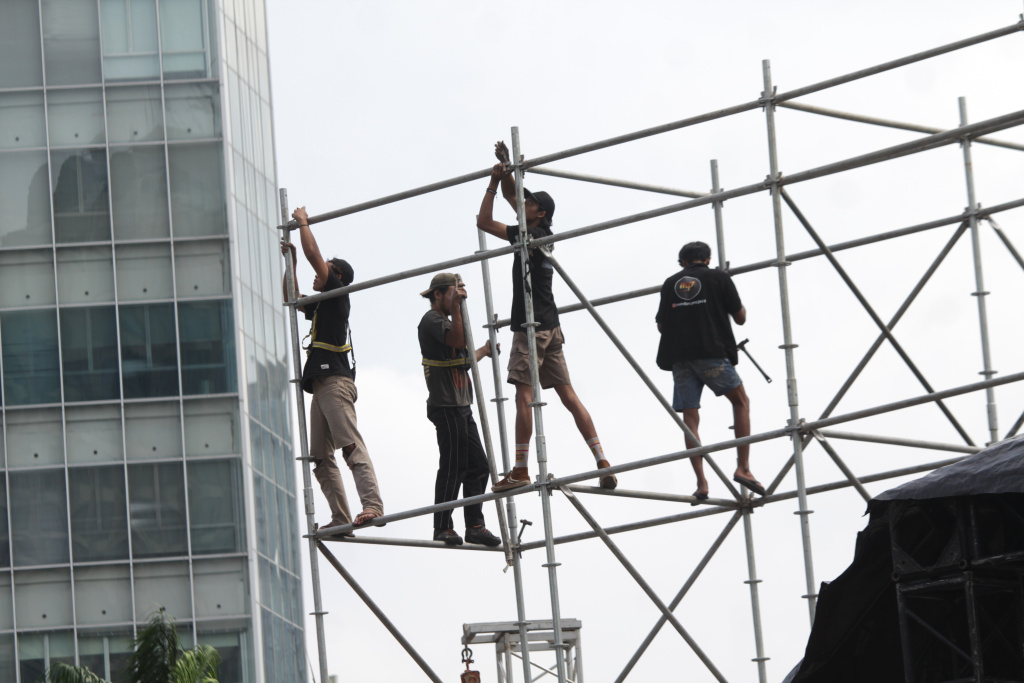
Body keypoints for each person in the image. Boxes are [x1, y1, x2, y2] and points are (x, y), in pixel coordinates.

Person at [475, 145, 617, 492]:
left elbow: (483, 222)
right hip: (551, 327)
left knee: (524, 394)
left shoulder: (528, 234)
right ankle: (602, 459)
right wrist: (506, 170)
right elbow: (514, 194)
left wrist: (492, 185)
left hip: (531, 326)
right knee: (568, 395)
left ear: (538, 213)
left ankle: (520, 469)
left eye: (529, 204)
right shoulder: (540, 231)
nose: (523, 204)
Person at [280, 206, 383, 533]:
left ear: (336, 274)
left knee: (349, 444)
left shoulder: (338, 294)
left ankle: (373, 504)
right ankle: (340, 518)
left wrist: (304, 225)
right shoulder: (324, 303)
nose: (319, 271)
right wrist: (290, 265)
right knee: (321, 458)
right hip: (323, 385)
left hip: (334, 383)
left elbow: (315, 255)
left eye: (326, 268)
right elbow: (292, 298)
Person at [655, 241, 761, 501]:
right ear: (709, 258)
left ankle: (702, 483)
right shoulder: (718, 278)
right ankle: (743, 468)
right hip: (711, 353)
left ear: (682, 262)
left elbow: (661, 325)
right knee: (741, 402)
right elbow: (741, 317)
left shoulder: (670, 283)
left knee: (690, 421)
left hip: (680, 358)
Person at [418, 273, 502, 546]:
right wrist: (456, 306)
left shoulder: (448, 322)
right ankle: (442, 526)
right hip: (447, 407)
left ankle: (475, 525)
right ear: (437, 295)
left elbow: (462, 359)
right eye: (450, 293)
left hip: (462, 407)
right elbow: (456, 341)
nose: (455, 299)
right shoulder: (432, 320)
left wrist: (485, 351)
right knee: (453, 466)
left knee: (479, 466)